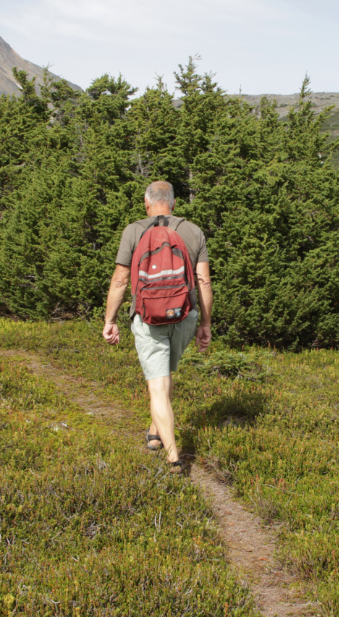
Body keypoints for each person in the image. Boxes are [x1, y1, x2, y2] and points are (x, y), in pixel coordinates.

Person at [102, 181, 212, 472]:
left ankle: (173, 455)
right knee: (165, 377)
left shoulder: (134, 231)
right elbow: (203, 282)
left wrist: (110, 320)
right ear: (174, 203)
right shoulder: (193, 231)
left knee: (157, 385)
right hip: (184, 315)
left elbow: (120, 281)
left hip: (147, 316)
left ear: (146, 202)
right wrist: (205, 322)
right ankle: (155, 433)